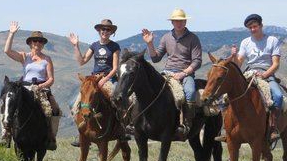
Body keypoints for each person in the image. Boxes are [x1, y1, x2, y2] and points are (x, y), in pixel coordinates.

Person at [142, 8, 202, 141]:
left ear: (185, 21)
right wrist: (150, 43)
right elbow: (156, 58)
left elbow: (197, 61)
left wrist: (184, 73)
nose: (179, 23)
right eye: (176, 21)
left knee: (190, 91)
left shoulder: (193, 38)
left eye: (181, 21)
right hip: (168, 72)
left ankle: (186, 124)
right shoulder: (166, 37)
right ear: (172, 23)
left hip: (186, 74)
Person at [69, 18, 128, 147]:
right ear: (98, 30)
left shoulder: (114, 46)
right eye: (103, 29)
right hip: (93, 79)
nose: (105, 31)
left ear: (111, 32)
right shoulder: (94, 45)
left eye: (108, 30)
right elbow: (81, 61)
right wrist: (76, 46)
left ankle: (122, 130)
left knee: (118, 100)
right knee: (74, 103)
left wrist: (105, 80)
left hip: (109, 78)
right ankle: (82, 133)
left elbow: (115, 68)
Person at [3, 21, 60, 150]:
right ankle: (6, 133)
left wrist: (42, 85)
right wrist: (11, 34)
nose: (37, 44)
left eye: (40, 42)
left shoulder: (47, 59)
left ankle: (51, 137)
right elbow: (7, 50)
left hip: (41, 88)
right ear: (30, 43)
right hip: (25, 88)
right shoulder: (24, 57)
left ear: (43, 44)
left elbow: (51, 79)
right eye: (35, 41)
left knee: (55, 108)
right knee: (8, 103)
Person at [231, 13, 283, 142]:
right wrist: (234, 55)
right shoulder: (246, 42)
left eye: (255, 26)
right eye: (250, 28)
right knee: (226, 96)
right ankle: (227, 128)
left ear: (261, 25)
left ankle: (273, 127)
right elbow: (239, 63)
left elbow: (276, 64)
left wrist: (265, 75)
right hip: (249, 72)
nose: (253, 29)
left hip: (266, 72)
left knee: (278, 95)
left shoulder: (272, 40)